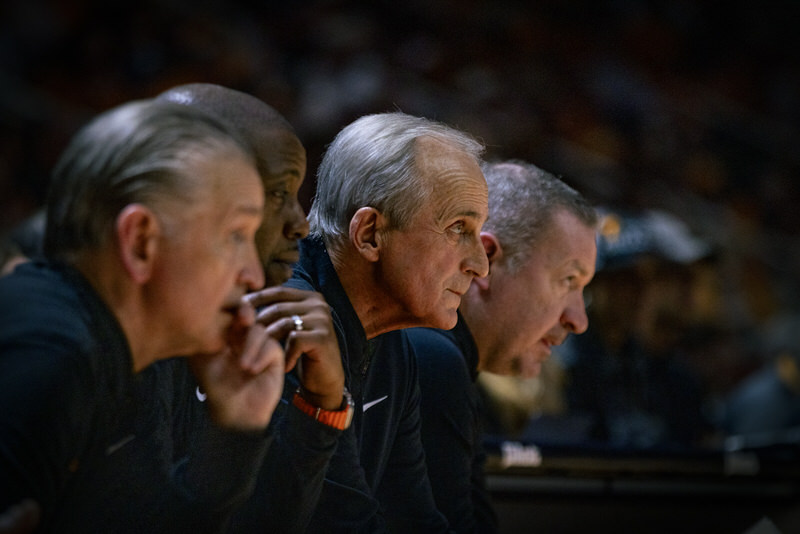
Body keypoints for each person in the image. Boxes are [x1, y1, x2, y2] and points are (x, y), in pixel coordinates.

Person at [0, 99, 286, 532]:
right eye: (236, 235)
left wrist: (236, 432)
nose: (253, 275)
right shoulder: (53, 356)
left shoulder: (112, 355)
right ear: (140, 242)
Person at [281, 111, 489, 533]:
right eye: (457, 228)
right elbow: (344, 523)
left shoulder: (392, 342)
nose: (480, 265)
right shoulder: (291, 320)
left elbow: (415, 518)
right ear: (370, 234)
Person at [155, 83, 346, 533]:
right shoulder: (80, 344)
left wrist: (321, 407)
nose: (301, 225)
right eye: (278, 194)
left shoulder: (248, 326)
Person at [407, 160, 599, 533]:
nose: (578, 319)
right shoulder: (433, 360)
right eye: (568, 280)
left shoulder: (446, 359)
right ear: (488, 260)